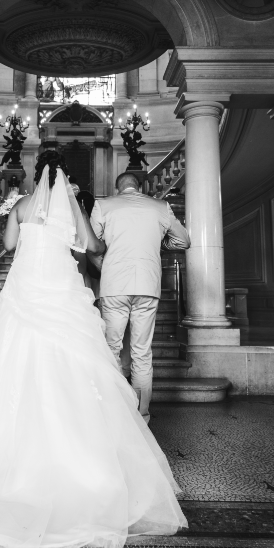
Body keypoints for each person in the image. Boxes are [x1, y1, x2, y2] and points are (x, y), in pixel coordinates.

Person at [0, 152, 187, 548]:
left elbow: (9, 244)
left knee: (16, 357)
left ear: (37, 176)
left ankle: (12, 451)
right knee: (79, 360)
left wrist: (17, 218)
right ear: (65, 178)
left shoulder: (21, 204)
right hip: (60, 287)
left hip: (26, 287)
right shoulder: (70, 205)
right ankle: (83, 449)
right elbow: (89, 244)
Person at [90, 172, 190, 424]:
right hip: (147, 284)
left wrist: (107, 267)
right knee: (141, 352)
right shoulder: (160, 206)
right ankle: (142, 415)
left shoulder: (103, 205)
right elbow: (184, 240)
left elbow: (90, 246)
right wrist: (159, 244)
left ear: (118, 187)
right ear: (140, 186)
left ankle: (114, 411)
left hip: (114, 285)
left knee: (112, 349)